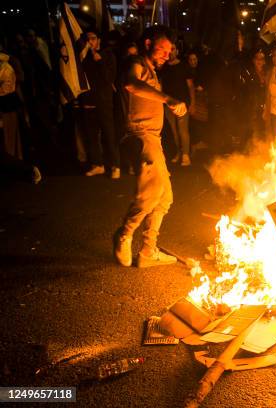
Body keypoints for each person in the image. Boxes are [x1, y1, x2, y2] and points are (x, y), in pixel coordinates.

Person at [113, 26, 187, 268]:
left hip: (153, 138)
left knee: (165, 197)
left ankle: (147, 251)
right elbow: (131, 85)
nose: (167, 54)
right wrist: (168, 98)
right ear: (147, 43)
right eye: (162, 49)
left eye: (170, 51)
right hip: (140, 135)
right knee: (151, 193)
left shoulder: (153, 71)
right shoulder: (135, 63)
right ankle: (124, 235)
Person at [78, 30, 120, 178]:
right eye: (88, 39)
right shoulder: (84, 57)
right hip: (89, 101)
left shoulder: (108, 55)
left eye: (93, 38)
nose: (90, 42)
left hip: (104, 101)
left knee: (109, 134)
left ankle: (115, 165)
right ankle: (98, 164)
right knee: (91, 135)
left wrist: (100, 61)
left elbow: (109, 79)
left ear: (99, 40)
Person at [159, 45, 193, 166]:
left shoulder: (183, 66)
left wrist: (192, 103)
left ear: (177, 51)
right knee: (174, 130)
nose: (170, 52)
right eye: (168, 50)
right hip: (168, 104)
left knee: (182, 130)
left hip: (182, 103)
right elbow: (161, 85)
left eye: (173, 49)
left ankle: (186, 155)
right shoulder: (164, 68)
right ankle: (179, 152)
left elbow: (190, 86)